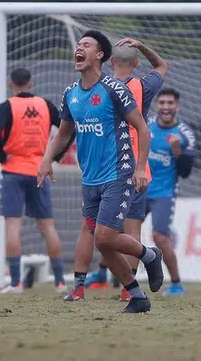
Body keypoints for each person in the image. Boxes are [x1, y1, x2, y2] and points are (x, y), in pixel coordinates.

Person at [37, 29, 164, 314]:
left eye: (86, 45)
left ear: (100, 55)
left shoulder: (114, 89)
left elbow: (142, 127)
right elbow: (63, 133)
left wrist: (140, 167)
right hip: (90, 178)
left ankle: (150, 255)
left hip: (119, 173)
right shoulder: (70, 93)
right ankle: (138, 297)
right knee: (103, 243)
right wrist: (47, 159)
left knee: (105, 237)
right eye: (77, 44)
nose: (78, 48)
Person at [84, 38, 166, 300]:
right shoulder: (142, 87)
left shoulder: (102, 89)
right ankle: (127, 291)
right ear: (136, 63)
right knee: (130, 230)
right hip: (136, 167)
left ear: (109, 61)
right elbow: (162, 65)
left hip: (106, 168)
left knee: (104, 233)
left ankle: (117, 285)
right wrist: (143, 45)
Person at [0, 67, 71, 294]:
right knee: (47, 226)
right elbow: (68, 128)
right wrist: (55, 157)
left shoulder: (7, 106)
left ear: (10, 84)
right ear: (31, 84)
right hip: (38, 170)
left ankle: (15, 283)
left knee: (13, 226)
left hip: (13, 170)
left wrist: (3, 157)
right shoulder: (46, 105)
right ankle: (61, 282)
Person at [144, 88, 195, 296]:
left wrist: (176, 151)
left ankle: (176, 284)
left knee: (160, 238)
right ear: (157, 105)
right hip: (139, 189)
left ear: (177, 106)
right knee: (119, 232)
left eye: (170, 103)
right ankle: (105, 275)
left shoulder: (185, 135)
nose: (166, 107)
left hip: (164, 193)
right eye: (162, 103)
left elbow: (185, 172)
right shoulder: (146, 125)